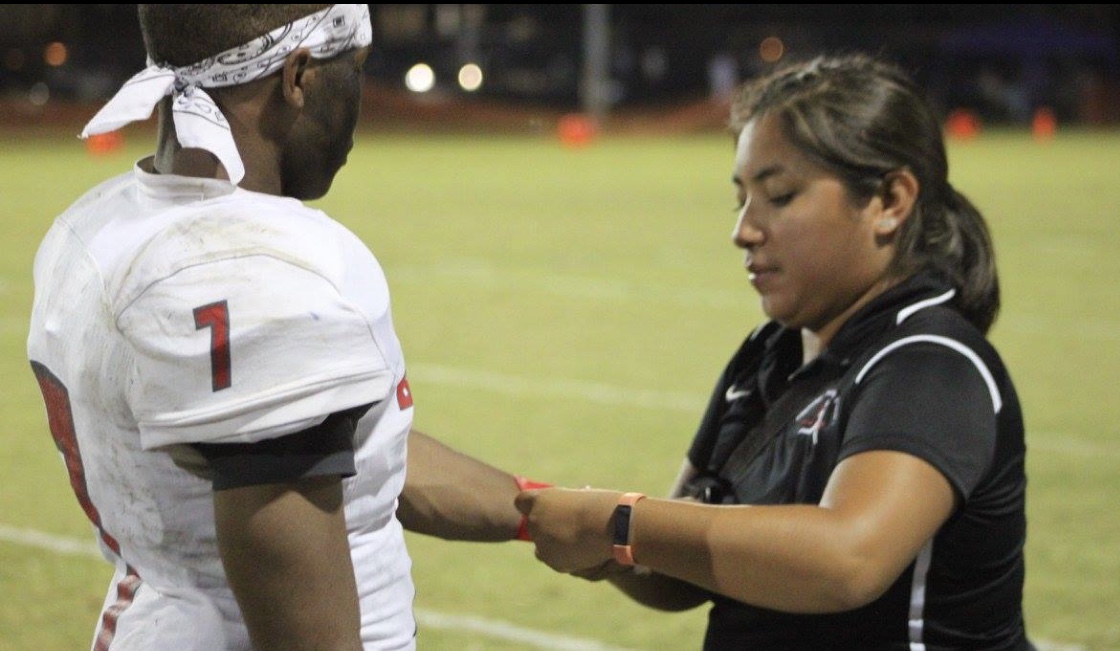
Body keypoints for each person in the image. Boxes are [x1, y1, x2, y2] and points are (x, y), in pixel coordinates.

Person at [26, 5, 540, 650]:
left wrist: (538, 511)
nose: (360, 99)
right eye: (353, 68)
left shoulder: (94, 225)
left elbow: (345, 452)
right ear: (298, 76)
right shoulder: (260, 276)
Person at [516, 52, 1032, 650]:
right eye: (741, 199)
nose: (744, 230)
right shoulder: (773, 355)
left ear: (891, 201)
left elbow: (847, 559)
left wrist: (619, 522)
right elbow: (679, 571)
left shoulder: (931, 362)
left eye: (779, 195)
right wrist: (561, 521)